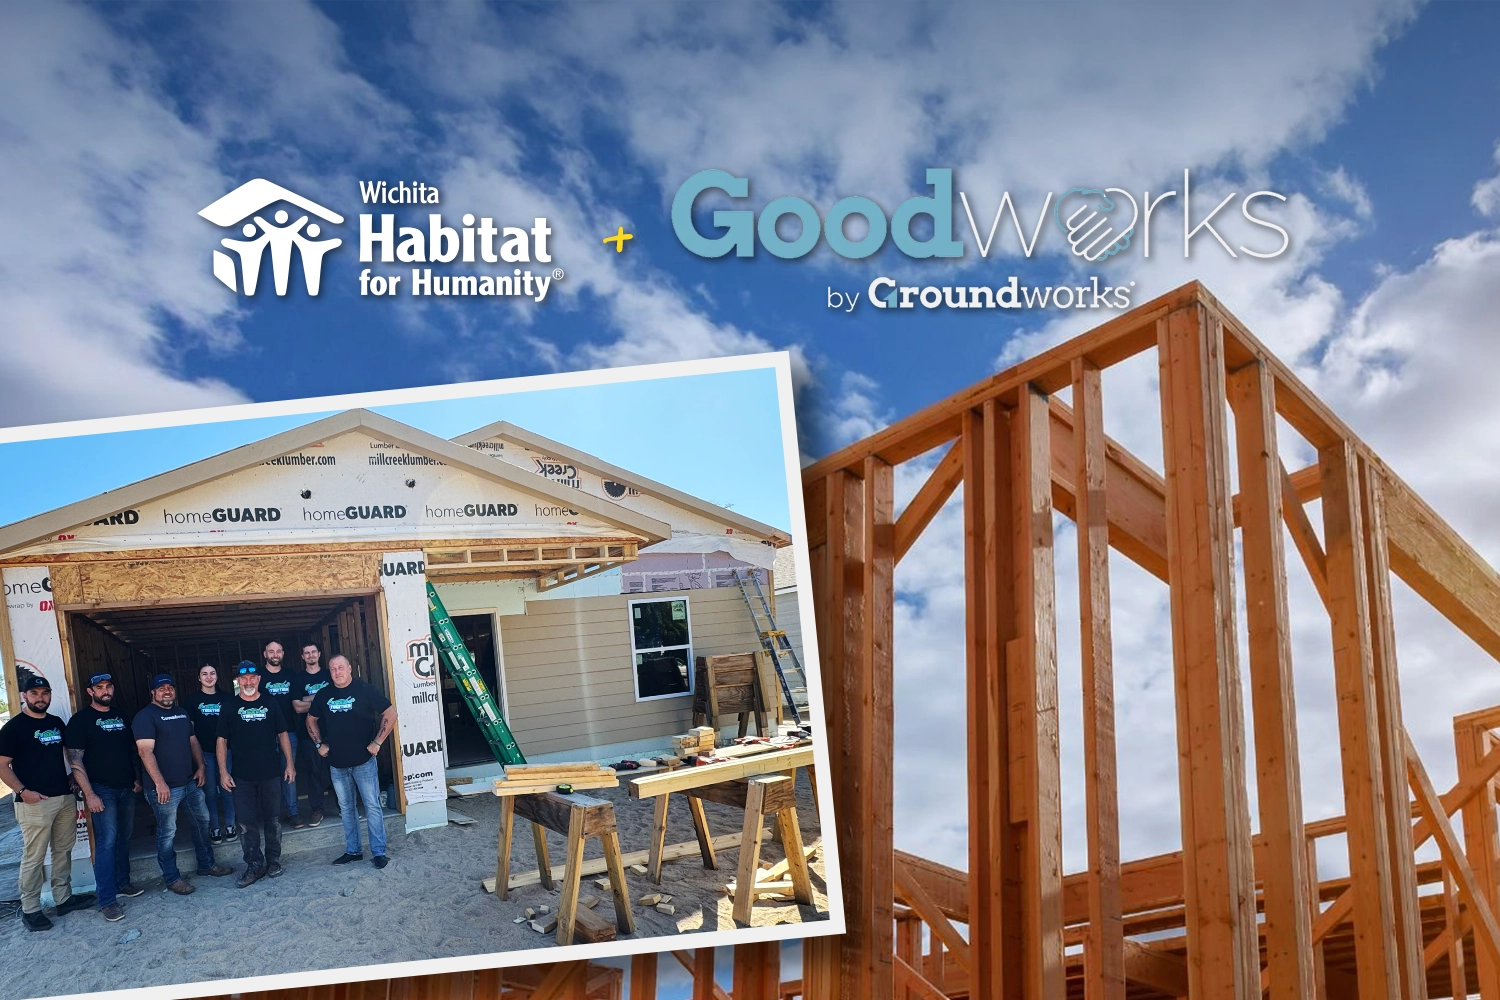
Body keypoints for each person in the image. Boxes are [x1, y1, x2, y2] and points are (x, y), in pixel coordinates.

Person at [0, 675, 95, 930]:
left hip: (63, 797)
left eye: (44, 693)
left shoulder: (56, 723)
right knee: (34, 856)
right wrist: (22, 791)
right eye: (34, 694)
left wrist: (71, 776)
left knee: (63, 850)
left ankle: (63, 899)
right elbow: (2, 765)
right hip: (34, 802)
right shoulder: (14, 728)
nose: (40, 698)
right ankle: (30, 909)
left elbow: (69, 754)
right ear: (24, 696)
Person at [133, 674, 234, 894]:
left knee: (203, 822)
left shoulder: (181, 713)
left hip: (189, 783)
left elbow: (193, 740)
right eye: (162, 689)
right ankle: (172, 878)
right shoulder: (145, 716)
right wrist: (159, 783)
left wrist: (201, 767)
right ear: (153, 693)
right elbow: (144, 751)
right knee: (167, 832)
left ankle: (206, 865)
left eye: (170, 687)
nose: (167, 691)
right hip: (164, 788)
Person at [64, 672, 142, 921]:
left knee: (124, 838)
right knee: (107, 843)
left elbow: (131, 749)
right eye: (100, 687)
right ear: (90, 691)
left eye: (109, 686)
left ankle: (122, 883)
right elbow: (75, 759)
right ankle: (107, 900)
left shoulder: (121, 715)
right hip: (101, 790)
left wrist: (137, 777)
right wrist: (90, 794)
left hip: (126, 787)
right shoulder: (80, 721)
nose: (105, 691)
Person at [308, 655, 395, 869]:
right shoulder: (323, 695)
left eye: (341, 667)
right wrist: (319, 744)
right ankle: (353, 850)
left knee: (372, 806)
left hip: (364, 761)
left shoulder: (365, 690)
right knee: (347, 808)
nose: (337, 672)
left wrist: (378, 741)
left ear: (349, 669)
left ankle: (378, 852)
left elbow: (390, 713)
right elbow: (310, 719)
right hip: (337, 763)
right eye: (333, 669)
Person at [218, 661, 294, 888]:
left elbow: (283, 735)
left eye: (253, 677)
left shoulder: (270, 703)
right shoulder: (229, 706)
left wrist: (290, 764)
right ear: (238, 681)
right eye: (244, 678)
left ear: (258, 680)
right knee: (246, 823)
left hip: (270, 772)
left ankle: (273, 861)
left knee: (273, 819)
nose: (249, 681)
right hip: (241, 776)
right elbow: (221, 740)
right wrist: (222, 771)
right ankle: (254, 864)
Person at [186, 664, 237, 844]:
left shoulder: (227, 698)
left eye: (212, 673)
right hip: (204, 751)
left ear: (217, 676)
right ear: (199, 678)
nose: (209, 677)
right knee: (209, 791)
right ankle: (214, 827)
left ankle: (230, 824)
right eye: (204, 674)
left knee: (228, 787)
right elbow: (190, 730)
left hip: (227, 749)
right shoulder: (192, 700)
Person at [259, 640, 304, 828]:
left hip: (289, 732)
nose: (275, 654)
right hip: (264, 735)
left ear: (283, 654)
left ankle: (293, 812)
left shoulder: (290, 675)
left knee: (289, 772)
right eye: (271, 651)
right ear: (265, 654)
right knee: (268, 775)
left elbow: (298, 701)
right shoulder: (259, 676)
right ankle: (272, 815)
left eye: (278, 651)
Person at [290, 642, 332, 827]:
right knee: (314, 773)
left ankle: (344, 806)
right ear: (302, 657)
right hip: (308, 734)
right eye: (306, 653)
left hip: (333, 731)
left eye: (313, 652)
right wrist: (323, 699)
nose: (310, 655)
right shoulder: (298, 679)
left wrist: (309, 698)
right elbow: (298, 707)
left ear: (319, 654)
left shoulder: (329, 674)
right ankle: (317, 810)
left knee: (337, 769)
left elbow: (336, 698)